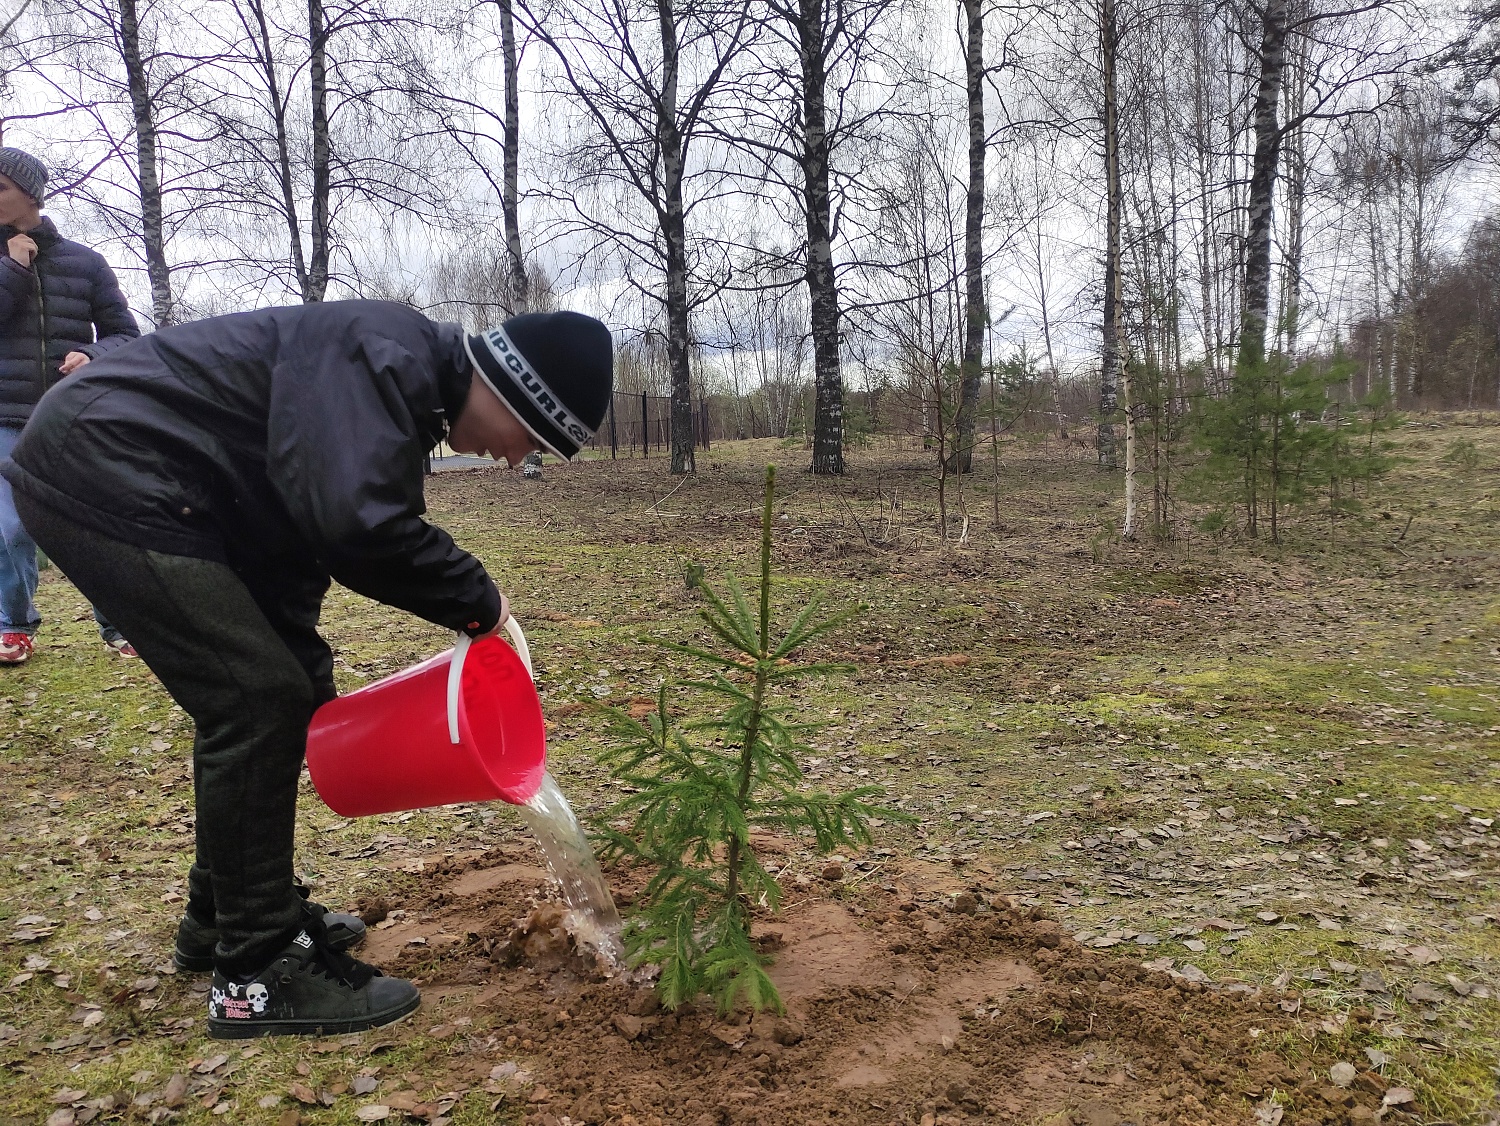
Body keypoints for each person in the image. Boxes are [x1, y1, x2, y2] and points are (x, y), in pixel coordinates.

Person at [1, 300, 613, 1037]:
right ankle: (255, 971)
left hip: (171, 488)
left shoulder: (399, 381)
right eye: (533, 438)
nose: (518, 458)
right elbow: (355, 522)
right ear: (511, 389)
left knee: (287, 683)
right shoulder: (386, 358)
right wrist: (481, 601)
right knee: (255, 701)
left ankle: (222, 916)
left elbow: (295, 528)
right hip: (106, 467)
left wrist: (301, 654)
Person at [0, 147, 144, 663]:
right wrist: (14, 268)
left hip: (71, 417)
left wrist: (92, 355)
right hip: (3, 418)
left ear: (31, 193)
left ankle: (122, 624)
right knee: (11, 529)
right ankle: (13, 625)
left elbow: (125, 335)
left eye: (0, 188)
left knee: (98, 523)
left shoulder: (86, 263)